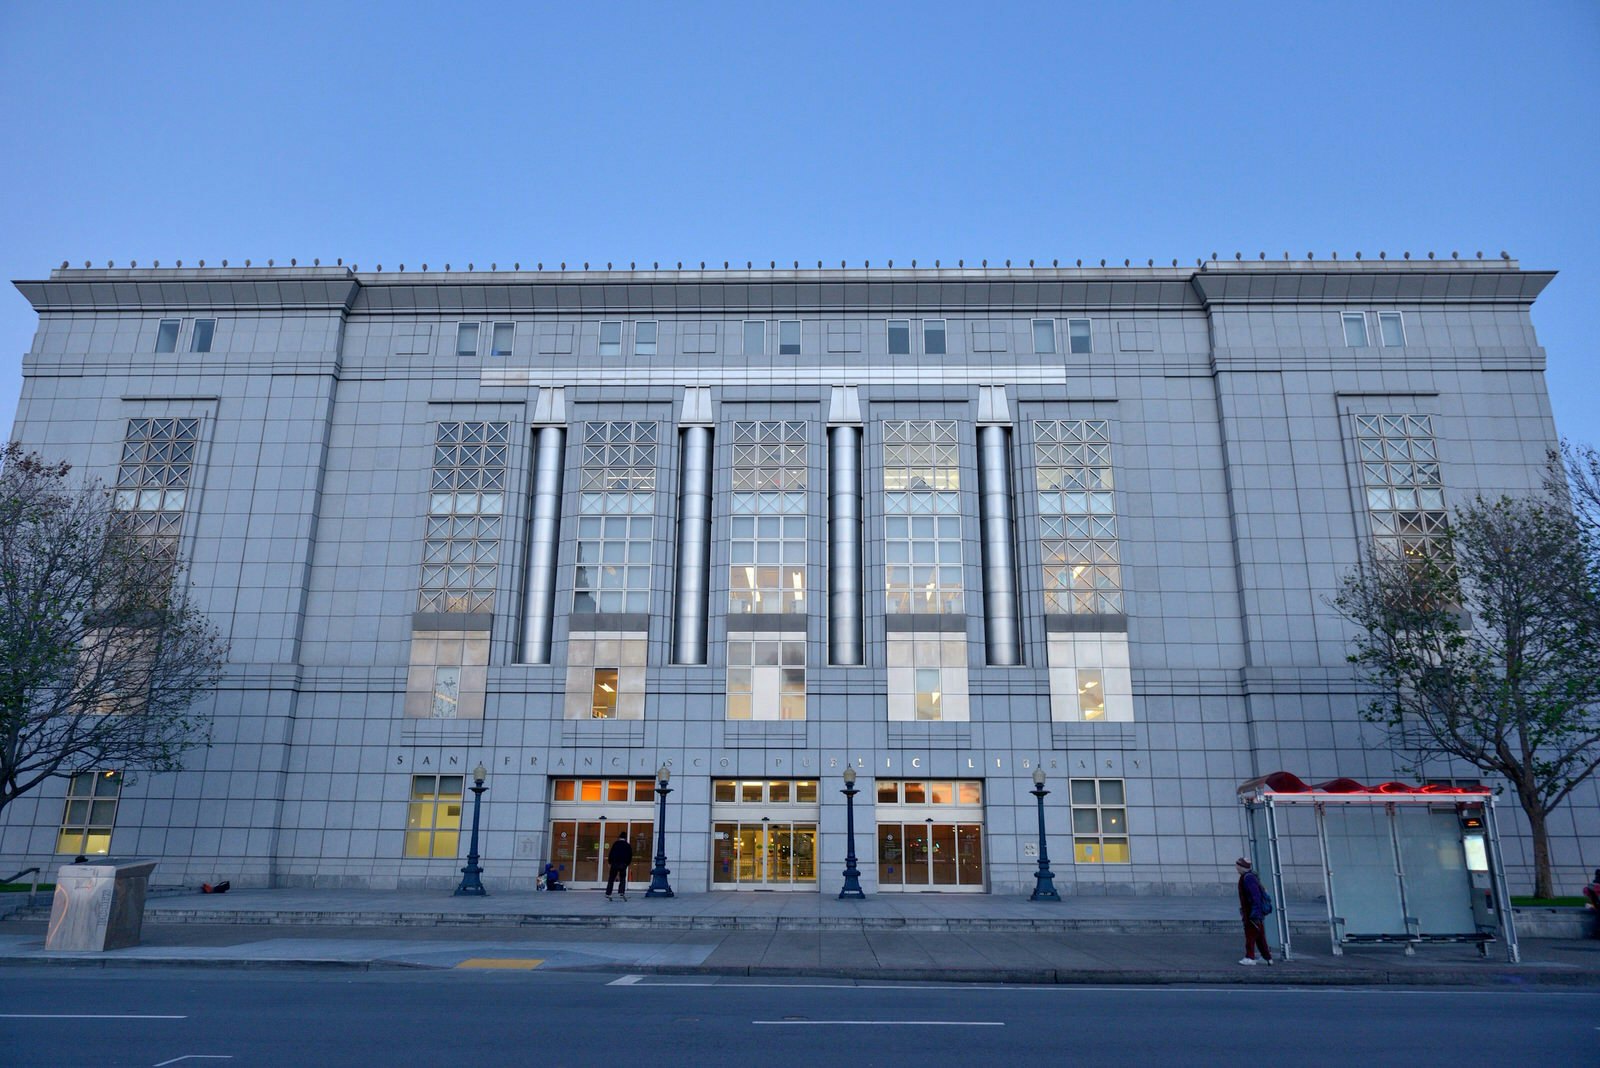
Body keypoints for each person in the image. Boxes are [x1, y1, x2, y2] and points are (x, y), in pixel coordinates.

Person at [1235, 857, 1273, 966]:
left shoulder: (1248, 878)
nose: (1236, 867)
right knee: (1260, 936)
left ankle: (1250, 957)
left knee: (1250, 936)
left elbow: (1255, 896)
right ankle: (1267, 958)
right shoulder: (1248, 877)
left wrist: (1255, 913)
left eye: (1238, 865)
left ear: (1242, 867)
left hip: (1252, 913)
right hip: (1252, 912)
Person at [605, 831, 633, 901]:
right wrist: (627, 863)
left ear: (619, 837)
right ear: (625, 838)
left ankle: (608, 892)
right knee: (622, 878)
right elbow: (630, 855)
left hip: (614, 863)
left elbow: (611, 853)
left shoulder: (615, 844)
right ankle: (621, 892)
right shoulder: (627, 845)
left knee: (611, 878)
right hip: (623, 864)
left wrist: (609, 862)